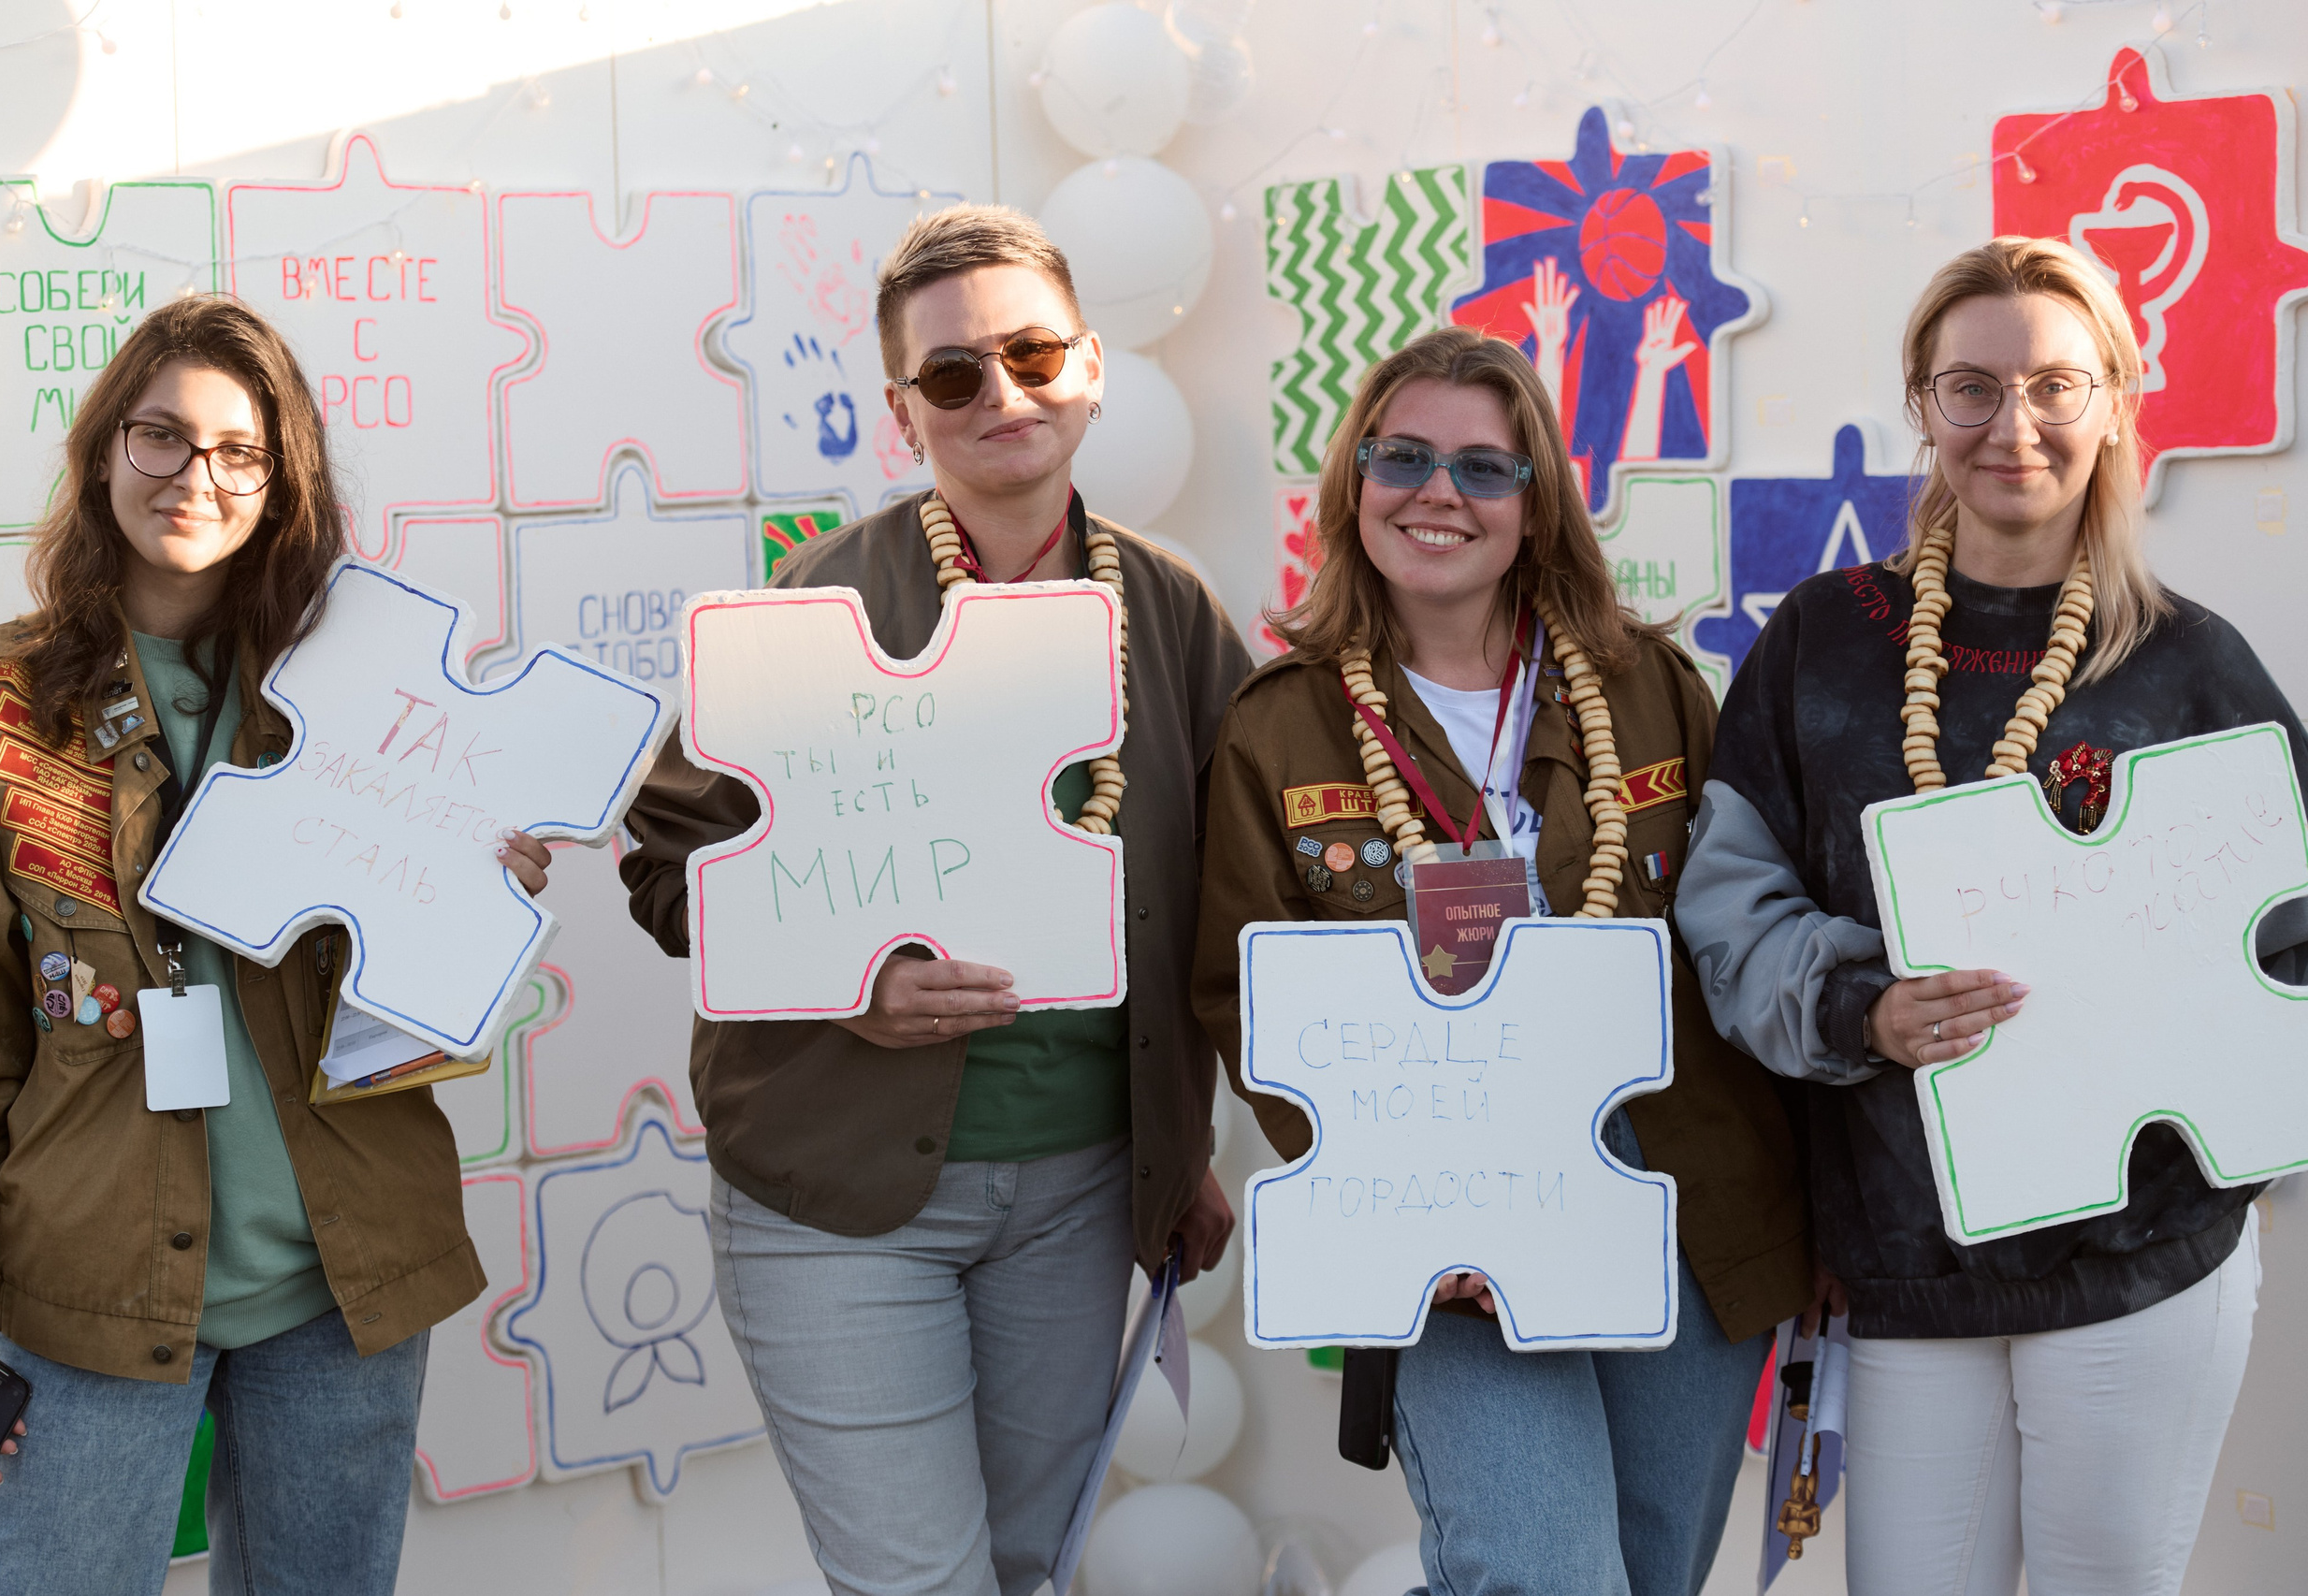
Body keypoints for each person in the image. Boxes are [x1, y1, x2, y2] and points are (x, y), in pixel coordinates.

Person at [618, 204, 1253, 1596]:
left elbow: (1226, 895)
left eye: (1032, 355)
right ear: (904, 410)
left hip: (1085, 1189)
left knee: (1029, 1565)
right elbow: (666, 866)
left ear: (1091, 365)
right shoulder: (817, 602)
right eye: (955, 374)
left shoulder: (1177, 610)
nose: (1003, 395)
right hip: (839, 1190)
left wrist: (1175, 1146)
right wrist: (848, 975)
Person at [1676, 237, 2291, 1593]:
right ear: (1924, 405)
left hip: (2144, 1262)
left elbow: (2286, 948)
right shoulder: (1823, 642)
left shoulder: (2192, 663)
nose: (2014, 424)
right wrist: (1859, 1004)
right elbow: (1728, 904)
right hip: (1903, 1259)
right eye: (1972, 386)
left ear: (2119, 402)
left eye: (2058, 385)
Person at [0, 294, 554, 1595]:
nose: (195, 477)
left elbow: (420, 997)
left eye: (238, 451)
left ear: (283, 480)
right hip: (85, 1294)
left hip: (345, 1285)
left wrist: (471, 881)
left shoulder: (368, 686)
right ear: (104, 451)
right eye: (161, 436)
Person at [1193, 324, 1812, 1595]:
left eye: (1485, 467)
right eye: (1404, 455)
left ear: (1536, 505)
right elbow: (1249, 1002)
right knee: (1542, 1571)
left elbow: (1745, 938)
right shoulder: (1278, 726)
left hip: (1679, 1194)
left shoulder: (1652, 689)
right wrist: (1417, 1196)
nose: (1439, 492)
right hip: (1442, 1221)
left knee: (1647, 1574)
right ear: (1355, 481)